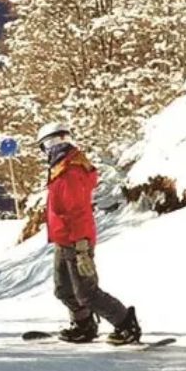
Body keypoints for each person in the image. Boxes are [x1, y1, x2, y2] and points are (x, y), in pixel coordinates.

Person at [37, 122, 142, 345]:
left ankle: (125, 323)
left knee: (86, 293)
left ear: (53, 143)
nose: (44, 153)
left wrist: (82, 246)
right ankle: (84, 325)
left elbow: (77, 212)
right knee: (63, 290)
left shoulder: (70, 172)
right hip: (64, 239)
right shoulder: (61, 169)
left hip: (77, 240)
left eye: (44, 147)